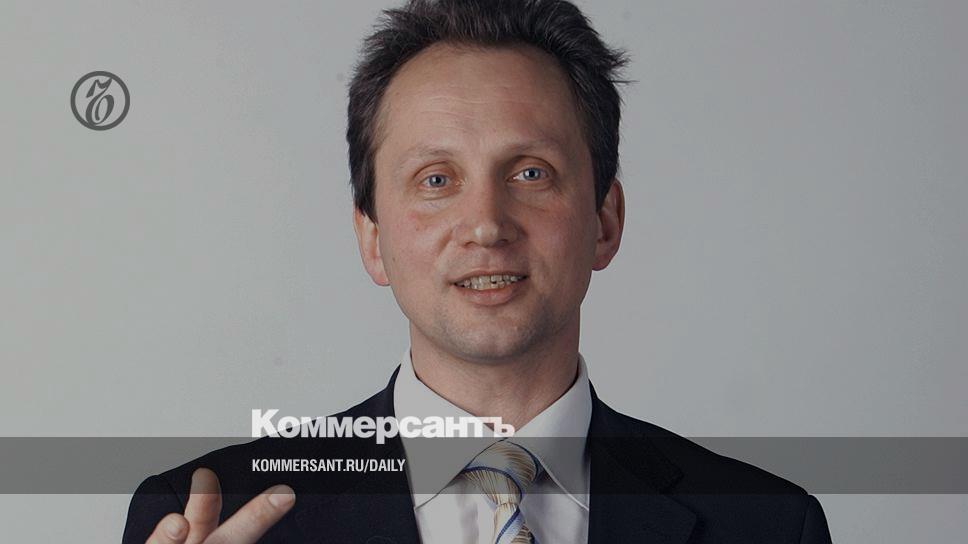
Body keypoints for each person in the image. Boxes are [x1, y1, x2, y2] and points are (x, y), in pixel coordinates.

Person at [123, 1, 833, 542]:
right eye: (436, 180)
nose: (487, 224)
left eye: (531, 172)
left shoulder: (769, 525)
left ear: (605, 220)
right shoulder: (206, 512)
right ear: (371, 237)